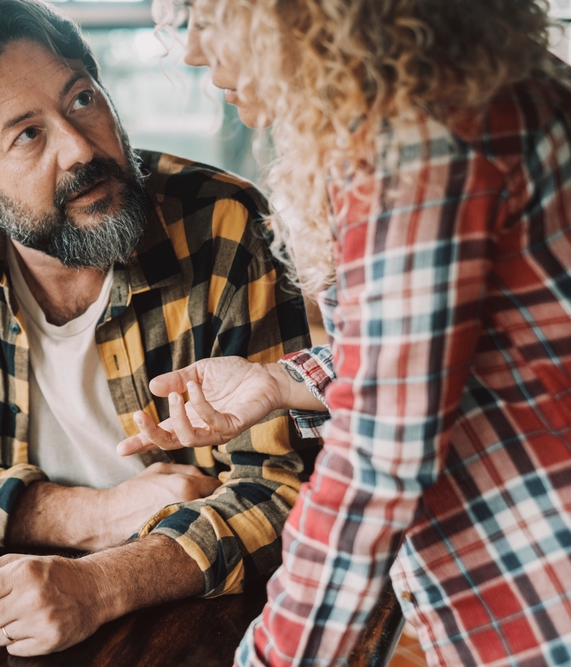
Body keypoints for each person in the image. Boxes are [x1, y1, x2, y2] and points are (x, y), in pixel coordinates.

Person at [0, 0, 319, 656]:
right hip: (18, 599)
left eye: (84, 99)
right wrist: (90, 515)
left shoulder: (225, 222)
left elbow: (282, 488)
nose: (81, 147)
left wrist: (102, 582)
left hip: (194, 607)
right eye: (29, 135)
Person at [121, 0, 571, 665]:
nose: (190, 50)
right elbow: (464, 350)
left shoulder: (418, 146)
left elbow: (377, 464)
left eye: (207, 16)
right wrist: (277, 380)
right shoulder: (492, 91)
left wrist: (268, 659)